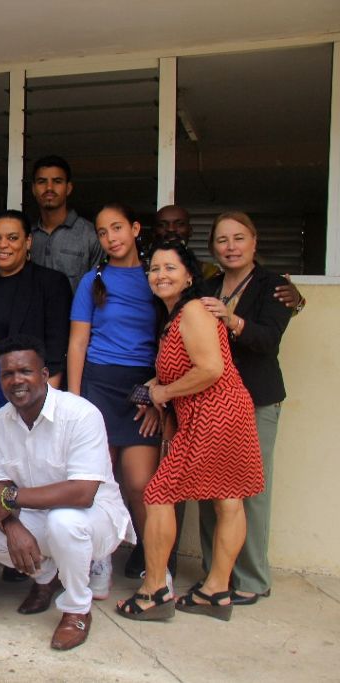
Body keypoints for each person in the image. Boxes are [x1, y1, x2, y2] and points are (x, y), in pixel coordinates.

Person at [116, 242, 263, 623]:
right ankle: (215, 591)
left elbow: (210, 369)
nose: (161, 275)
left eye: (170, 268)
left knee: (159, 494)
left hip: (214, 412)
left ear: (189, 276)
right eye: (155, 269)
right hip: (220, 411)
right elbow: (184, 367)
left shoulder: (194, 311)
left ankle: (155, 590)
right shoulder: (174, 317)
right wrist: (153, 388)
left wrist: (162, 392)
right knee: (228, 500)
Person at [0, 335, 135, 651]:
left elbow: (82, 493)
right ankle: (45, 579)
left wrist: (12, 500)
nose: (17, 380)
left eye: (25, 371)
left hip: (93, 520)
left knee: (64, 522)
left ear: (43, 375)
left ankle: (76, 609)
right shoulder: (1, 421)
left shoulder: (81, 415)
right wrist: (13, 526)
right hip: (39, 517)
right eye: (7, 374)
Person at [198, 212, 292, 605]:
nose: (231, 247)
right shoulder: (208, 286)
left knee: (249, 491)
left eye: (239, 238)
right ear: (213, 247)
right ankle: (214, 576)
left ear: (254, 242)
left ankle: (251, 579)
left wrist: (231, 319)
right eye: (222, 240)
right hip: (209, 401)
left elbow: (268, 339)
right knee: (208, 489)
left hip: (255, 399)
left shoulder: (276, 287)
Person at [67, 203, 162, 584]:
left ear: (136, 228)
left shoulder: (157, 276)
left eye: (118, 228)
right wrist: (75, 400)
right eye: (103, 233)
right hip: (99, 384)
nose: (111, 238)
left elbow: (171, 337)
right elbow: (78, 342)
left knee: (139, 482)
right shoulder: (93, 280)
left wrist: (158, 393)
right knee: (98, 482)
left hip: (144, 387)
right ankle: (99, 558)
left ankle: (151, 556)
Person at [0, 210, 72, 417]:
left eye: (12, 238)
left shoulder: (51, 283)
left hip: (23, 391)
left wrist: (45, 403)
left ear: (28, 242)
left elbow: (57, 347)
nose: (3, 245)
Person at [155, 204, 307, 310]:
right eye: (222, 240)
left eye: (239, 238)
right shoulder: (146, 271)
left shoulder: (207, 272)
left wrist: (298, 302)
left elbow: (268, 329)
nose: (171, 230)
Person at [28, 155, 103, 291]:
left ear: (68, 188)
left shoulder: (90, 235)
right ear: (33, 188)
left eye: (57, 181)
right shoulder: (25, 237)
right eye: (41, 181)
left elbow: (98, 290)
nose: (49, 188)